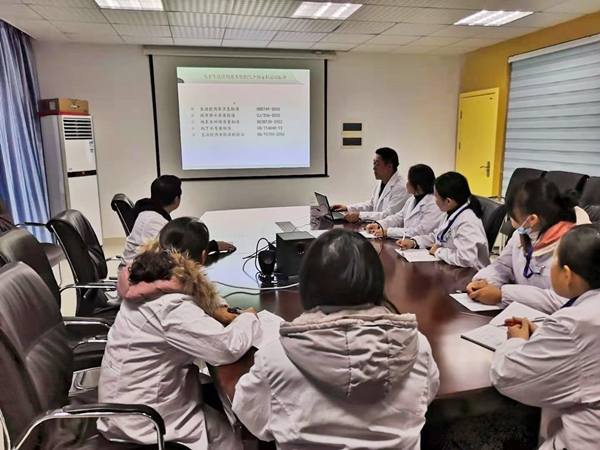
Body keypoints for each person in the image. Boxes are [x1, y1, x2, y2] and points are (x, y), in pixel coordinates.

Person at [232, 229, 439, 449]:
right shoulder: (416, 346)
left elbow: (250, 417)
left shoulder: (275, 358)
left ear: (307, 283)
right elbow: (426, 397)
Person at [98, 217, 258, 450]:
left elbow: (192, 297)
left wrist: (215, 309)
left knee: (217, 396)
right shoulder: (170, 306)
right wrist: (249, 319)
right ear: (203, 256)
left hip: (126, 396)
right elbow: (225, 349)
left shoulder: (147, 279)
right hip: (143, 418)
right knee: (231, 438)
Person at [491, 224, 600, 450]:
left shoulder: (574, 324)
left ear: (567, 274)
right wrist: (544, 334)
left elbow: (508, 377)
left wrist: (516, 340)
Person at [467, 179, 590, 314]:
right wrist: (486, 280)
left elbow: (562, 300)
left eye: (512, 216)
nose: (510, 220)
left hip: (555, 320)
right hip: (521, 314)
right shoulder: (524, 232)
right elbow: (503, 265)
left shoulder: (575, 246)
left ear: (532, 219)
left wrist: (503, 295)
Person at [120, 175, 234, 271]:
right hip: (134, 274)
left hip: (141, 269)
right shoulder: (153, 221)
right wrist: (210, 246)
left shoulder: (149, 212)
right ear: (176, 199)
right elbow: (174, 255)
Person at [397, 171, 490, 270]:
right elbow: (438, 237)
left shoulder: (467, 222)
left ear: (448, 201)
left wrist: (438, 251)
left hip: (470, 273)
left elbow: (466, 259)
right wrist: (414, 242)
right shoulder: (451, 212)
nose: (434, 200)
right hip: (453, 268)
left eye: (436, 197)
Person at [331, 147, 410, 223]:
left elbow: (389, 216)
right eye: (374, 163)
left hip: (390, 230)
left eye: (377, 164)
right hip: (376, 227)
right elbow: (371, 205)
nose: (374, 168)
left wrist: (360, 216)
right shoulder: (381, 182)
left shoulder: (401, 188)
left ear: (389, 166)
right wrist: (347, 208)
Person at [365, 164, 444, 239]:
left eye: (409, 180)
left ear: (418, 185)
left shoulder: (433, 204)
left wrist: (389, 232)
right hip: (406, 243)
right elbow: (398, 218)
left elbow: (420, 231)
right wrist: (379, 225)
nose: (407, 183)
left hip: (422, 246)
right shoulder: (411, 200)